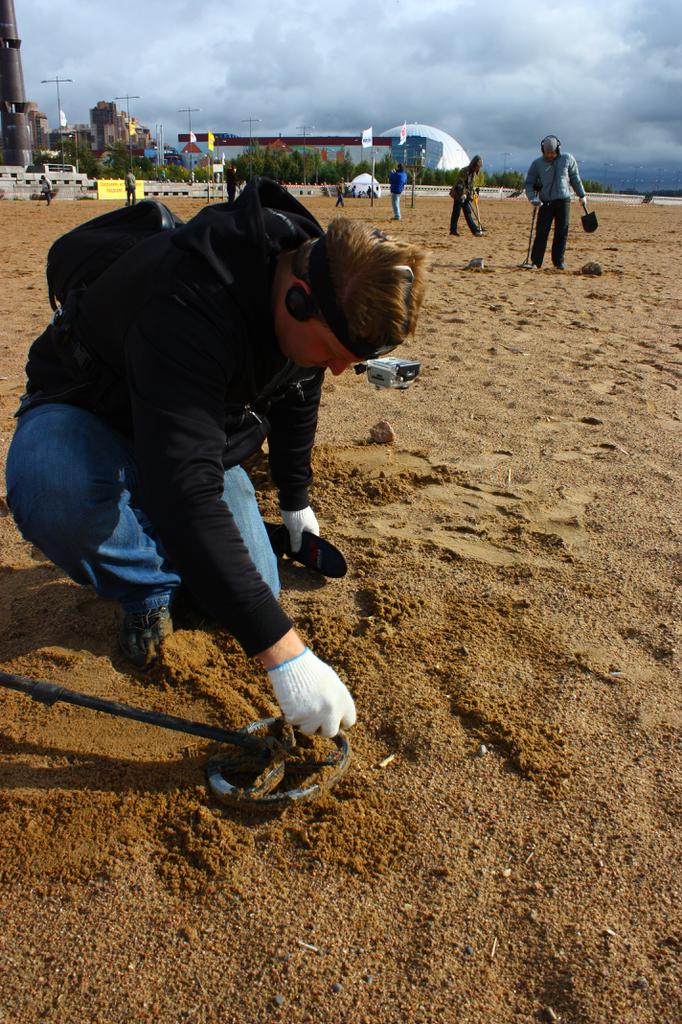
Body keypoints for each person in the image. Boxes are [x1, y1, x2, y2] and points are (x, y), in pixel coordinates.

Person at [5, 178, 426, 739]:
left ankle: (175, 555)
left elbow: (299, 390)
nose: (337, 370)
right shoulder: (190, 299)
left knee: (255, 585)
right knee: (53, 487)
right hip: (89, 411)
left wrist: (296, 504)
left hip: (194, 430)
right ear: (296, 296)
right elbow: (186, 490)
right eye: (333, 352)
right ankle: (146, 589)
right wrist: (286, 656)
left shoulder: (312, 291)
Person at [524, 135, 587, 269]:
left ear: (558, 149)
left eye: (552, 153)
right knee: (541, 232)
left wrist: (581, 195)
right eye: (547, 153)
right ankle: (536, 262)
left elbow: (575, 177)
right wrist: (532, 198)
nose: (550, 155)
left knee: (562, 232)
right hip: (545, 202)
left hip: (564, 201)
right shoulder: (537, 164)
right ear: (543, 151)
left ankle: (558, 262)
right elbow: (529, 183)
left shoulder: (567, 159)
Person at [449, 155, 483, 236]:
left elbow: (470, 185)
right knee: (456, 213)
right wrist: (463, 194)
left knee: (467, 213)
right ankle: (453, 230)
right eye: (478, 166)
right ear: (474, 165)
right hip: (458, 194)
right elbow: (460, 184)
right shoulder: (464, 171)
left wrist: (473, 193)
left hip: (465, 195)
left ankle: (474, 230)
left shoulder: (473, 174)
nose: (478, 169)